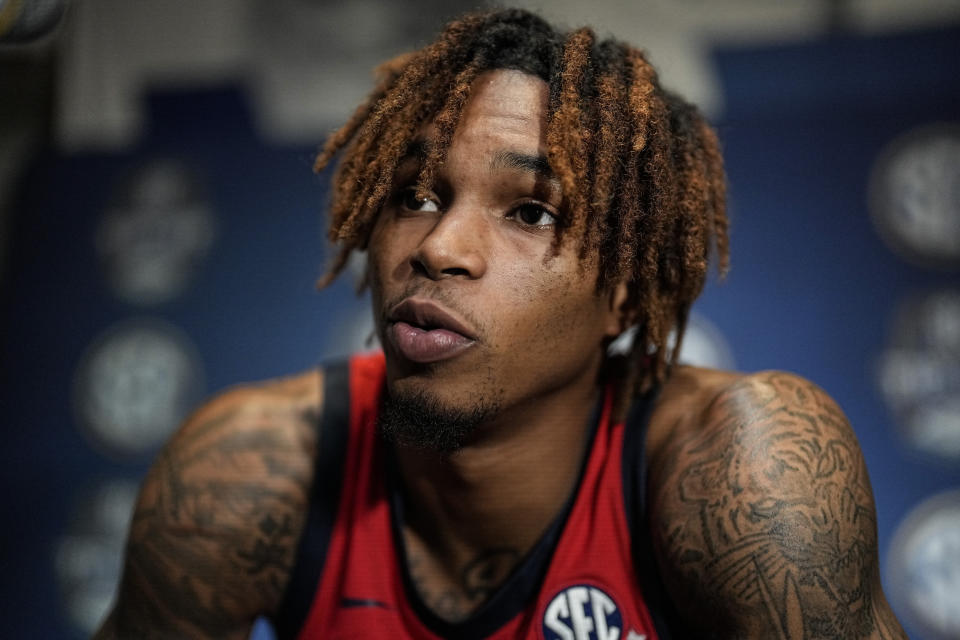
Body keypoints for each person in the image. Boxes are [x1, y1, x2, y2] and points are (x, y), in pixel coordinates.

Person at [94, 8, 907, 639]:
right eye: (415, 196)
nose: (440, 247)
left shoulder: (747, 473)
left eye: (529, 211)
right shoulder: (245, 476)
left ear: (625, 293)